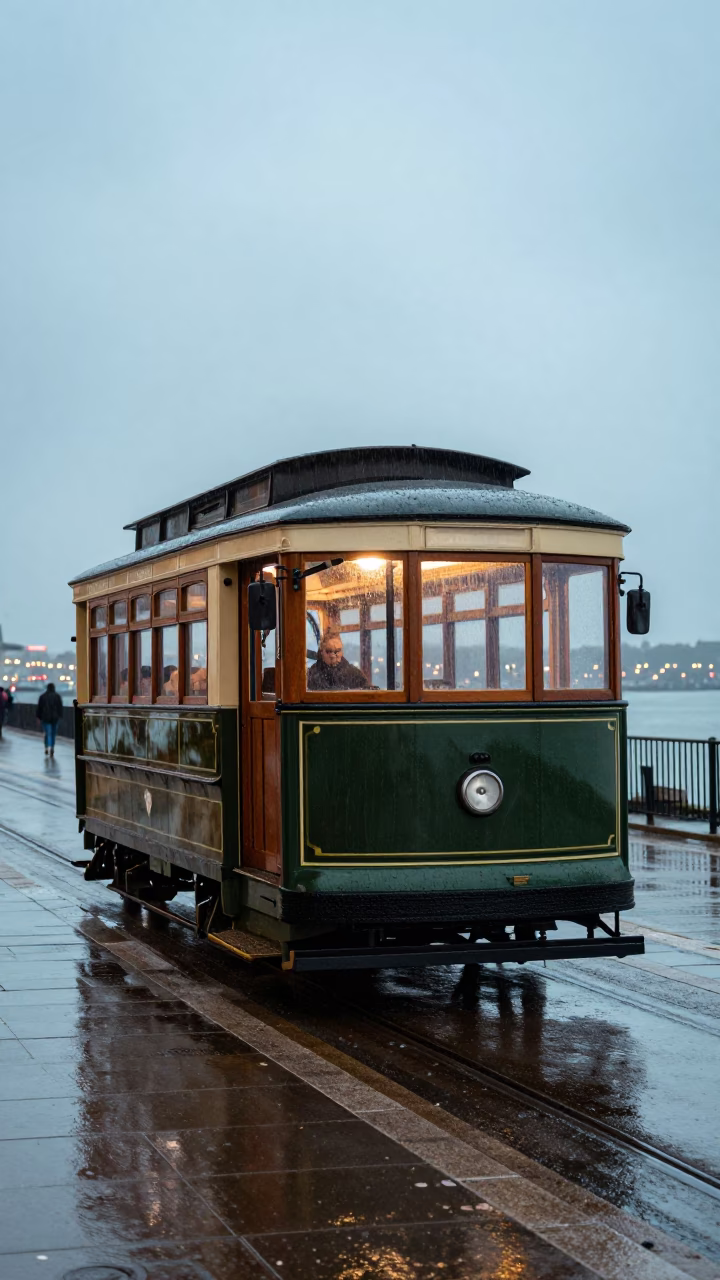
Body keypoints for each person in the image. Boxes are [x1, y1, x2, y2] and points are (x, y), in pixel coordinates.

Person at [37, 682, 63, 757]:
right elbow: (60, 707)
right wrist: (60, 716)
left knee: (47, 733)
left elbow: (39, 708)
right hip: (55, 718)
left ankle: (46, 747)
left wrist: (38, 717)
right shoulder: (57, 696)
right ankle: (52, 747)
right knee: (53, 734)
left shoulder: (42, 697)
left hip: (45, 718)